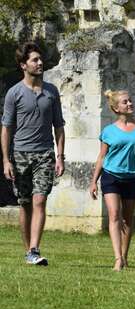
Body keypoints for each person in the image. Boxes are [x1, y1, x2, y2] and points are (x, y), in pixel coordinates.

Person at [1, 42, 66, 266]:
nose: (40, 64)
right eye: (35, 60)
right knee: (25, 203)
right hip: (20, 155)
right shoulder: (14, 93)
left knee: (40, 200)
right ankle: (28, 251)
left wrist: (60, 156)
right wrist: (6, 160)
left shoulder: (52, 91)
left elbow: (59, 126)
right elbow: (6, 128)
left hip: (45, 154)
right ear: (23, 65)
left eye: (40, 60)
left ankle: (35, 249)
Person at [89, 90, 135, 271]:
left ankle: (124, 256)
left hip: (132, 177)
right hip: (111, 176)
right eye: (125, 102)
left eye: (130, 101)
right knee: (115, 214)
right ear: (116, 108)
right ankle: (117, 258)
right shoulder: (108, 131)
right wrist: (94, 181)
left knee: (127, 218)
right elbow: (101, 157)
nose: (130, 104)